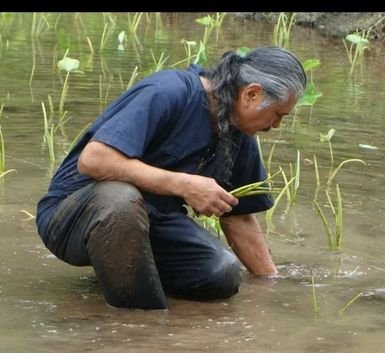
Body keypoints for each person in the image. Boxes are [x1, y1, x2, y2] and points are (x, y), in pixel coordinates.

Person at [36, 46, 307, 310]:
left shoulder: (239, 132)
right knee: (120, 200)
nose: (277, 125)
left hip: (153, 223)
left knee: (222, 272)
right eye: (278, 114)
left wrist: (270, 283)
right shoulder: (168, 92)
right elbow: (94, 159)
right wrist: (184, 184)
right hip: (74, 216)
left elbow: (239, 216)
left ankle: (136, 282)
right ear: (252, 94)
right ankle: (142, 325)